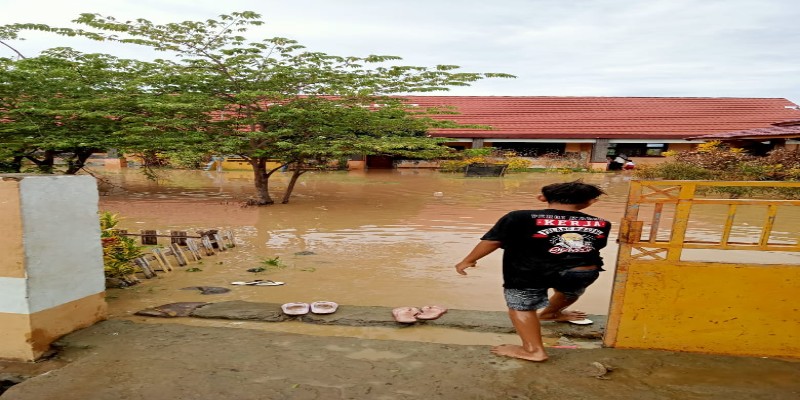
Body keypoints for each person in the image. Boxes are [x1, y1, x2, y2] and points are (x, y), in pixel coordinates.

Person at [455, 181, 611, 362]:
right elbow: (595, 245)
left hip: (529, 272)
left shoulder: (519, 217)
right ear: (590, 202)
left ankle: (533, 351)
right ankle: (550, 313)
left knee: (522, 306)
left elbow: (493, 241)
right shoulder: (601, 223)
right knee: (569, 291)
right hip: (582, 271)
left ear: (542, 198)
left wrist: (468, 260)